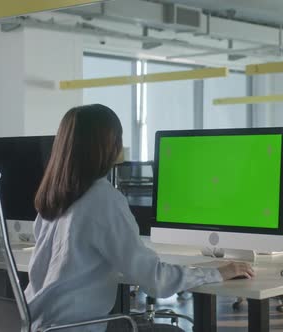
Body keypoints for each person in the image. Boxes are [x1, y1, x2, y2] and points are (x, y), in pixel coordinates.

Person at [24, 104, 255, 331]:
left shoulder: (55, 198)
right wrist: (217, 272)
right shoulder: (102, 198)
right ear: (107, 145)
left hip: (40, 325)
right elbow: (155, 281)